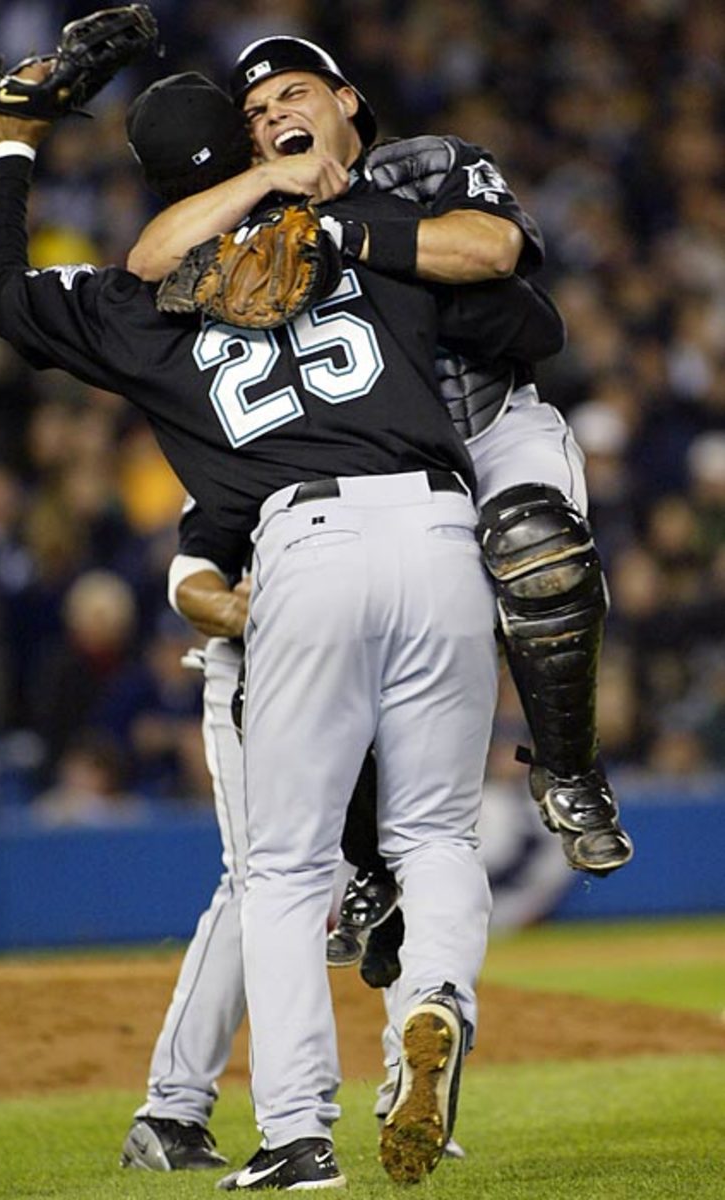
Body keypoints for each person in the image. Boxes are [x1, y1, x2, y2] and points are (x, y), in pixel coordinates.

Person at [0, 49, 565, 1189]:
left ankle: (298, 1136)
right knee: (435, 837)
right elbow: (522, 316)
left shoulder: (137, 306)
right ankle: (435, 1002)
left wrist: (11, 143)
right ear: (253, 150)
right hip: (443, 531)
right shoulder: (362, 226)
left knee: (284, 874)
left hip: (304, 549)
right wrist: (344, 213)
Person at [129, 37, 633, 884]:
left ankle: (571, 769)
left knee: (536, 544)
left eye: (293, 93)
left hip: (486, 420)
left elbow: (493, 250)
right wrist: (263, 190)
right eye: (254, 115)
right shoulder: (251, 209)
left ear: (346, 99)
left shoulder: (427, 164)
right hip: (371, 467)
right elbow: (149, 262)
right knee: (306, 649)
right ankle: (366, 869)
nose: (274, 115)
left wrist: (339, 229)